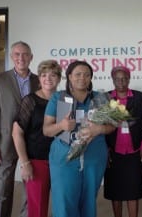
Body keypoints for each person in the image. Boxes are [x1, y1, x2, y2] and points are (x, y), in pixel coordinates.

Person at [43, 60, 115, 217]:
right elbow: (47, 130)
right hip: (64, 158)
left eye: (87, 75)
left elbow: (112, 125)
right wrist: (61, 126)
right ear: (69, 76)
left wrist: (100, 129)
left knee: (89, 201)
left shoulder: (101, 98)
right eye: (78, 74)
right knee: (64, 202)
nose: (82, 78)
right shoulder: (58, 98)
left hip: (94, 157)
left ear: (91, 78)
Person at [0, 41, 39, 217]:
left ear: (31, 57)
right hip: (5, 143)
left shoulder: (40, 81)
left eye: (25, 54)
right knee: (1, 190)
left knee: (30, 190)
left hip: (32, 143)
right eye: (17, 54)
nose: (21, 58)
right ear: (11, 57)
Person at [12, 60, 62, 217]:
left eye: (53, 75)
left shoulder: (64, 100)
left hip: (61, 162)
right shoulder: (30, 100)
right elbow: (17, 133)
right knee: (37, 210)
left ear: (59, 78)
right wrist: (25, 163)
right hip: (36, 162)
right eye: (44, 75)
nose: (48, 78)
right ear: (39, 79)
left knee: (62, 206)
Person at [104, 66, 142, 217]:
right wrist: (104, 150)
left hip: (134, 151)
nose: (121, 81)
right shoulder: (106, 98)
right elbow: (102, 126)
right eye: (117, 79)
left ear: (129, 79)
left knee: (133, 190)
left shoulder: (138, 96)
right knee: (115, 190)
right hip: (113, 151)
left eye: (124, 78)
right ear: (113, 80)